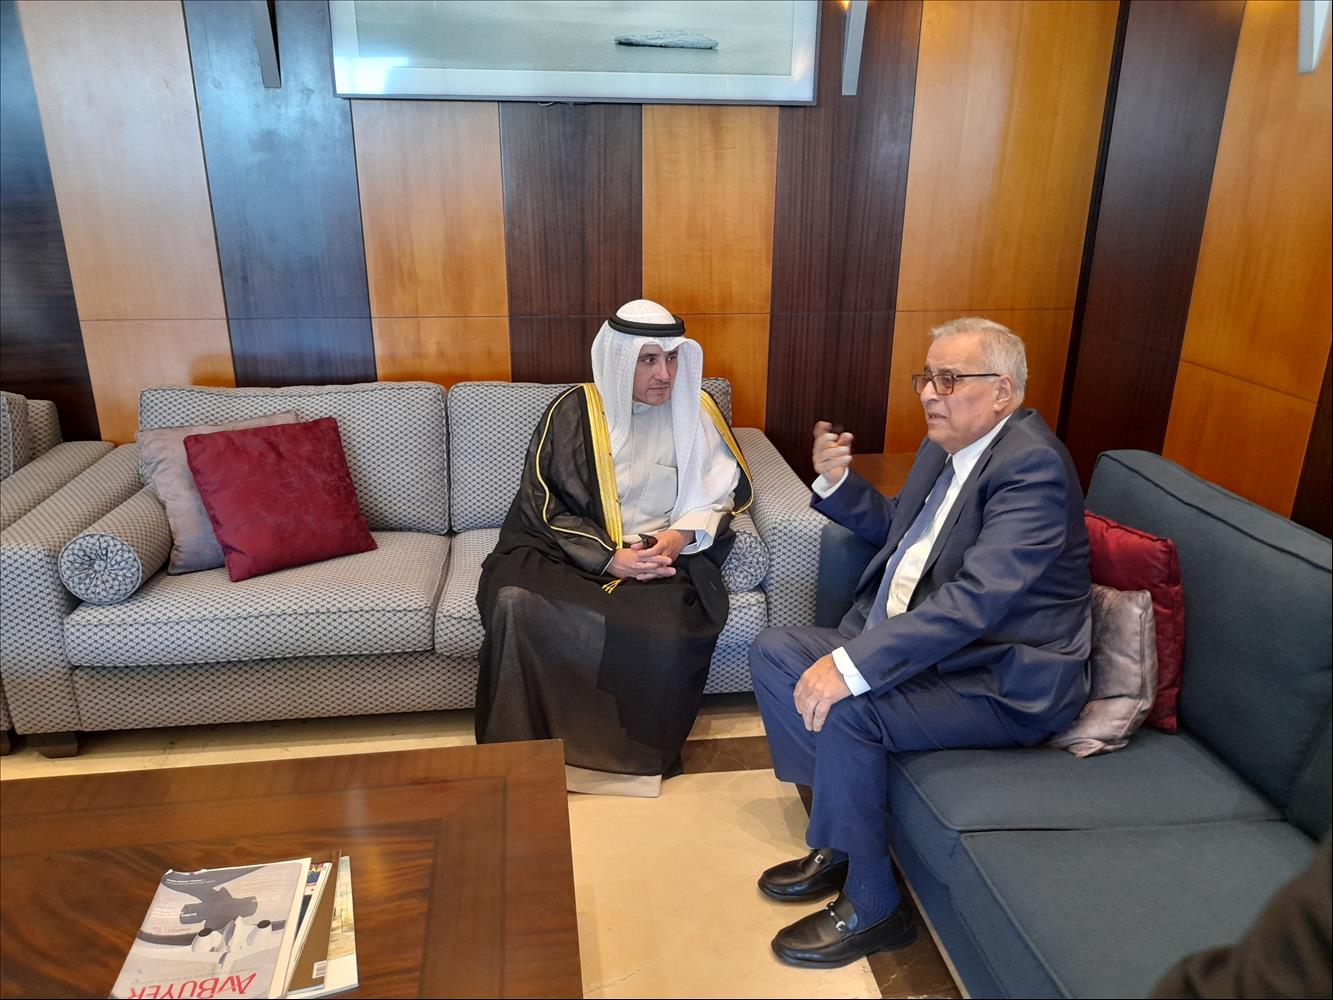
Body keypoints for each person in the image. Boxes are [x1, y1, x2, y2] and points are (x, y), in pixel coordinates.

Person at [750, 317, 1092, 967]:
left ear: (1003, 391)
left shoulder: (1032, 469)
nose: (930, 393)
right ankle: (840, 840)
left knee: (850, 707)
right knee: (774, 652)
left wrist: (853, 664)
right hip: (943, 653)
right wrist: (837, 485)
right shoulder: (946, 446)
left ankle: (875, 907)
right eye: (926, 378)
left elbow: (977, 599)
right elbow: (902, 530)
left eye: (949, 379)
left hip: (1003, 679)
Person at [475, 299, 753, 797]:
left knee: (668, 627)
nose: (665, 374)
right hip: (574, 549)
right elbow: (544, 501)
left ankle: (625, 763)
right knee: (515, 602)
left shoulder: (696, 411)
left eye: (671, 359)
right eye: (648, 360)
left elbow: (719, 495)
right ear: (620, 360)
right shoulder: (573, 411)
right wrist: (609, 558)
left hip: (660, 557)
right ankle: (525, 756)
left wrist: (679, 537)